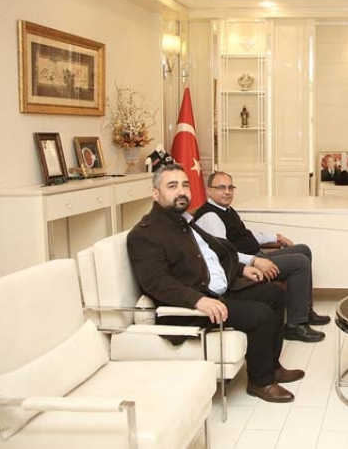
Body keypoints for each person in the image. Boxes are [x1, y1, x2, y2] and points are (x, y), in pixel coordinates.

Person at [127, 164, 305, 403]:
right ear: (155, 193)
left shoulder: (185, 222)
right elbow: (156, 282)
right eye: (172, 186)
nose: (181, 191)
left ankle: (272, 367)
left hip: (217, 291)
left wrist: (242, 268)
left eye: (185, 185)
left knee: (274, 295)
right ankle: (261, 381)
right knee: (260, 314)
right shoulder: (145, 234)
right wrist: (198, 300)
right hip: (192, 306)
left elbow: (214, 254)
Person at [193, 172, 330, 343]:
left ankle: (304, 310)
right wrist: (254, 261)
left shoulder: (226, 210)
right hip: (246, 267)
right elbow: (224, 255)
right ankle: (295, 325)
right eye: (221, 188)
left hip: (256, 256)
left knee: (303, 250)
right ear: (209, 190)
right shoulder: (211, 217)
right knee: (299, 262)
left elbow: (246, 236)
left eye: (230, 187)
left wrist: (275, 237)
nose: (227, 192)